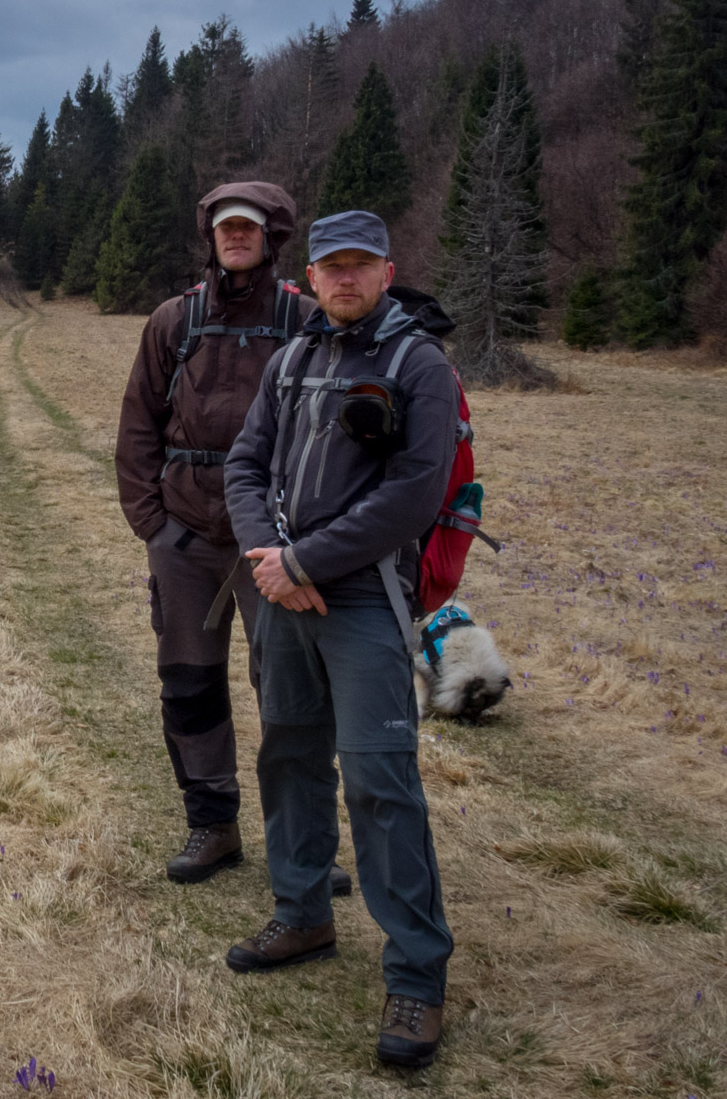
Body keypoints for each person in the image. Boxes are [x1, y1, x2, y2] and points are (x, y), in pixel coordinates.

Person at [221, 209, 459, 1068]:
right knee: (287, 754)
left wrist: (306, 563)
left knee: (379, 781)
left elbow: (413, 494)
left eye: (361, 265)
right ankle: (303, 912)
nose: (345, 279)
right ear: (311, 278)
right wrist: (271, 559)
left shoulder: (419, 366)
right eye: (332, 267)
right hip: (284, 594)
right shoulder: (292, 361)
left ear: (388, 272)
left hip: (364, 604)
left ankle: (418, 979)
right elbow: (245, 466)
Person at [117, 182, 352, 891]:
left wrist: (308, 542)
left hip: (276, 547)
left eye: (248, 226)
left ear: (271, 236)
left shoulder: (307, 322)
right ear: (210, 236)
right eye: (225, 226)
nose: (236, 235)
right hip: (185, 537)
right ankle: (212, 824)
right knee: (188, 686)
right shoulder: (172, 322)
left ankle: (306, 844)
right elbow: (136, 429)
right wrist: (155, 528)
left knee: (291, 695)